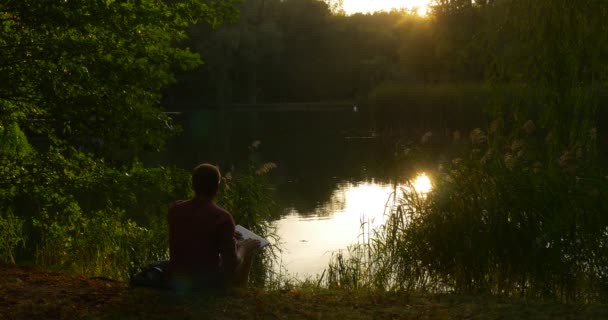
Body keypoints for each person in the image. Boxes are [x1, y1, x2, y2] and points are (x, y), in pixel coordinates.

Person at [168, 163, 260, 291]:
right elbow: (231, 264)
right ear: (217, 188)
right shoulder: (222, 217)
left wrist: (226, 236)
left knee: (235, 246)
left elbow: (194, 232)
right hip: (206, 284)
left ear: (192, 186)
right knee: (247, 248)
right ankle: (238, 291)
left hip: (176, 278)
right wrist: (243, 248)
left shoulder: (175, 209)